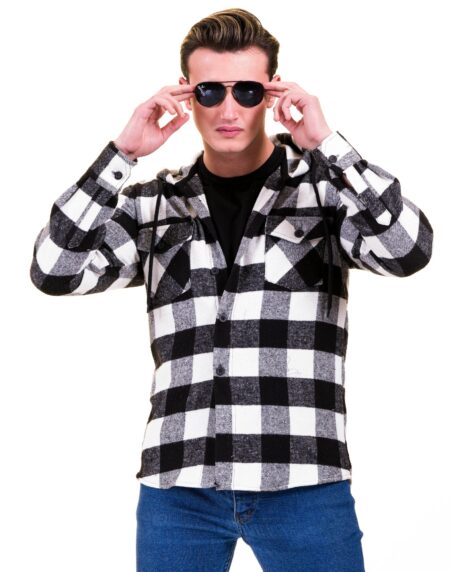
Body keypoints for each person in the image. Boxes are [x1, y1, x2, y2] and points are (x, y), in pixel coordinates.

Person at [29, 7, 433, 572]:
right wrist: (122, 153)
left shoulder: (323, 194)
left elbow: (408, 250)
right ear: (186, 94)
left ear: (271, 93)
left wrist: (328, 143)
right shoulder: (153, 206)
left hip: (303, 480)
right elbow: (53, 269)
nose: (228, 108)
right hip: (180, 486)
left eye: (246, 90)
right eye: (209, 91)